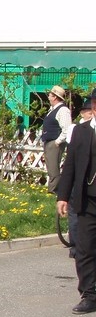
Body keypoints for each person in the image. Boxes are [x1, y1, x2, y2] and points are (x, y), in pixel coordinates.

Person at [57, 89, 96, 314]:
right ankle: (89, 294)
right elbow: (69, 165)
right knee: (84, 249)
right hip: (87, 200)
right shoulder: (81, 132)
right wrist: (63, 197)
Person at [62, 98, 93, 259]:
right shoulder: (77, 129)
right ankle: (75, 244)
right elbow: (71, 161)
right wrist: (63, 195)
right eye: (88, 110)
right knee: (75, 213)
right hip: (79, 180)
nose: (90, 112)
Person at [43, 85, 72, 193]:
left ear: (55, 97)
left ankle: (54, 190)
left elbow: (67, 129)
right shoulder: (53, 110)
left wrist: (58, 141)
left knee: (54, 168)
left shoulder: (63, 110)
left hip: (54, 143)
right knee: (51, 167)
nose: (49, 97)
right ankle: (53, 189)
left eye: (50, 95)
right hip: (49, 141)